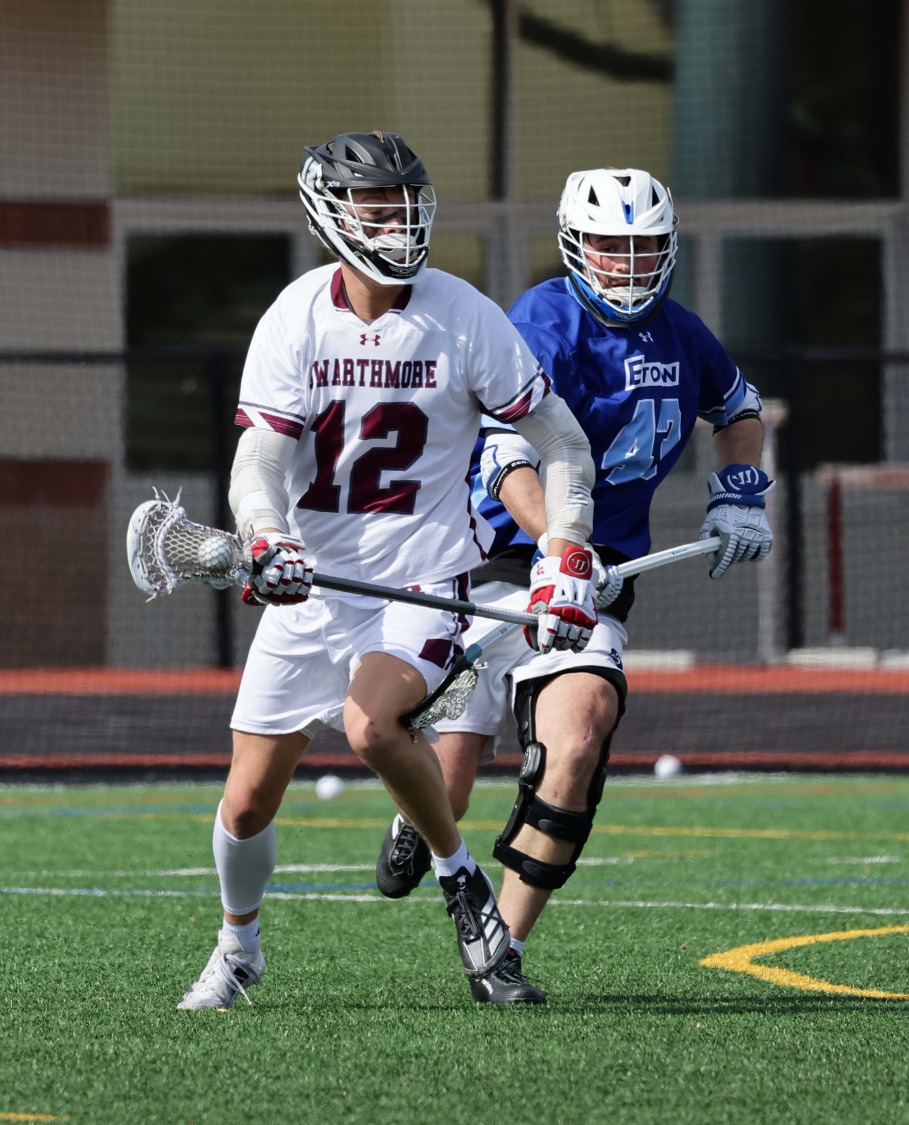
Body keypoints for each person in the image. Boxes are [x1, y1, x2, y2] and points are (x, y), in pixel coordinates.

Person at [178, 131, 602, 1010]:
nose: (399, 221)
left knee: (371, 725)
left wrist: (564, 549)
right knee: (247, 801)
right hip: (315, 588)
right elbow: (259, 460)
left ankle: (461, 881)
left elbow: (557, 437)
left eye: (407, 202)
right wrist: (264, 531)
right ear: (331, 213)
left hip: (420, 581)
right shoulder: (296, 316)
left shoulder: (461, 312)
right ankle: (239, 946)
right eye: (378, 206)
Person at [372, 168, 771, 1002]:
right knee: (448, 774)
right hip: (495, 560)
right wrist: (558, 546)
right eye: (609, 247)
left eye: (643, 248)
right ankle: (420, 812)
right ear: (573, 243)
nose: (626, 266)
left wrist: (741, 489)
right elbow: (509, 457)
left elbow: (738, 407)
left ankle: (499, 948)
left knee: (579, 739)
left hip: (596, 578)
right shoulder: (541, 323)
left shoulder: (680, 333)